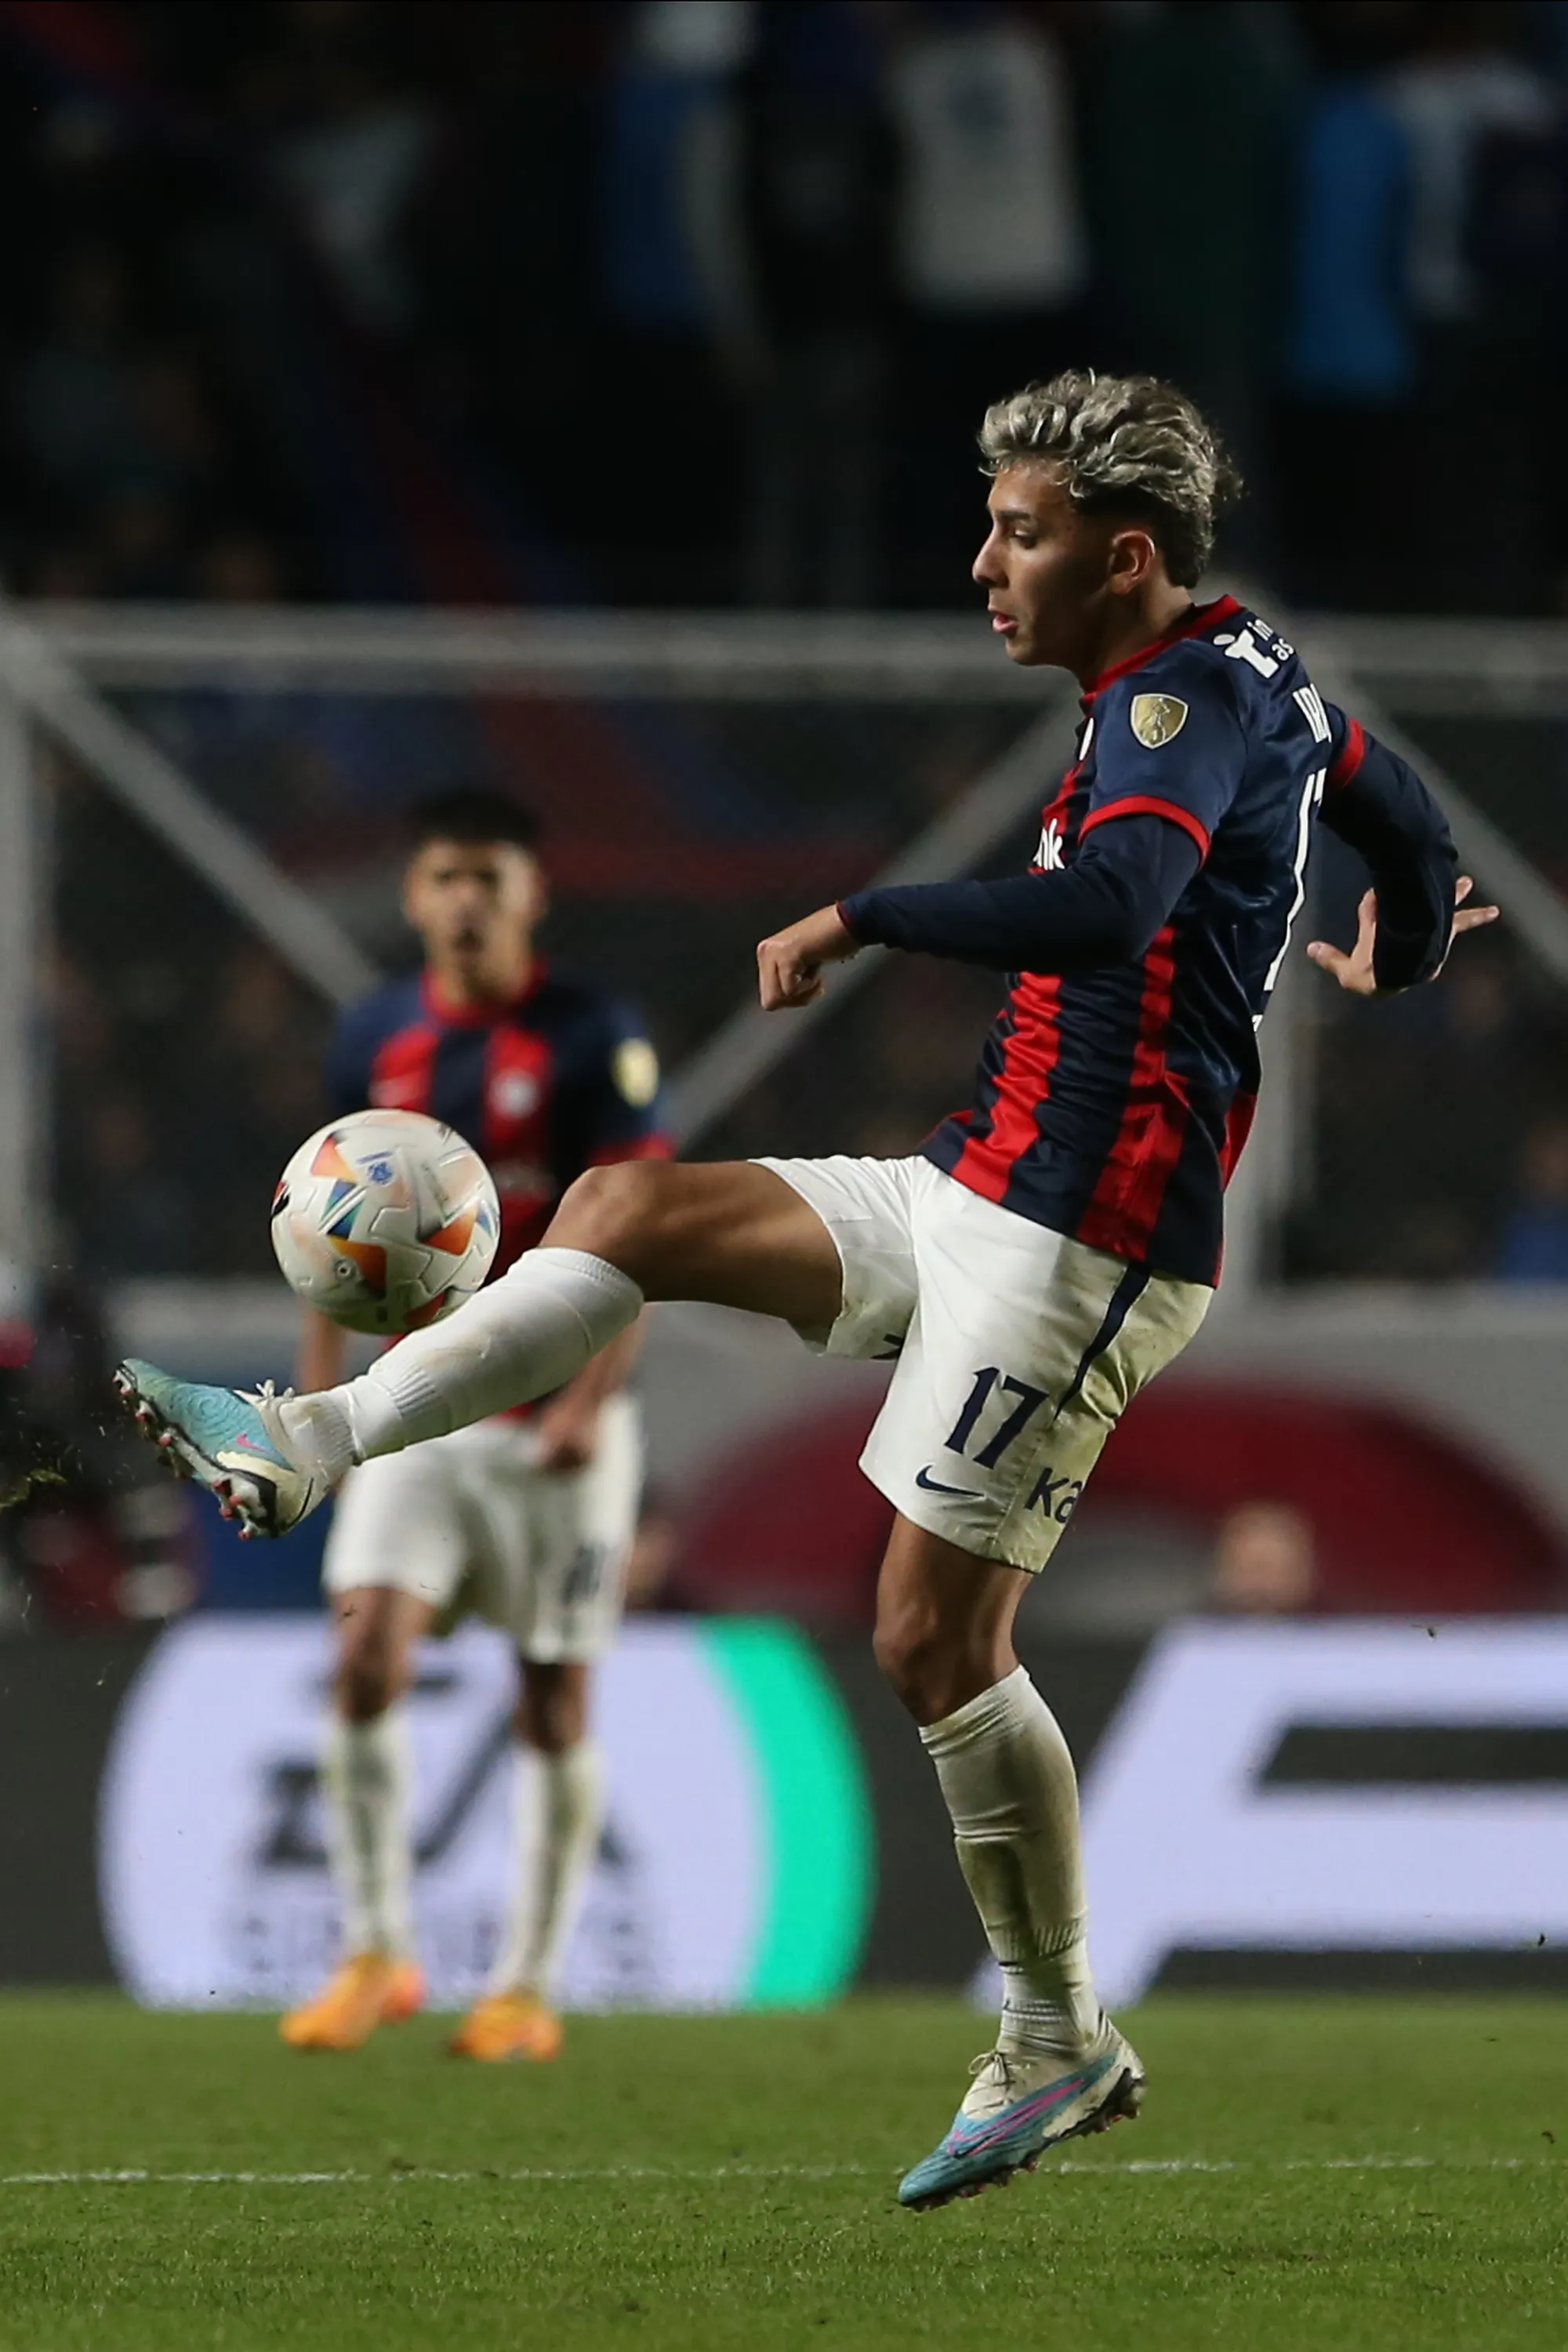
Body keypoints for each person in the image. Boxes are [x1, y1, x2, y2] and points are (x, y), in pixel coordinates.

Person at [119, 372, 1495, 2205]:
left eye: (1021, 530)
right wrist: (1403, 932)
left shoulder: (1171, 707)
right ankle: (315, 1436)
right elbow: (1391, 799)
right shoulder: (1259, 672)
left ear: (1128, 552)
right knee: (628, 1207)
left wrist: (869, 915)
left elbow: (1113, 911)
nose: (983, 561)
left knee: (933, 1640)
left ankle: (1058, 2033)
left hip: (1084, 1246)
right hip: (970, 1183)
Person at [273, 788, 666, 2062]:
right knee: (364, 1659)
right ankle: (377, 1952)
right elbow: (324, 1252)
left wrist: (592, 1406)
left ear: (530, 895)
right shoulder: (376, 1036)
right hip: (418, 1416)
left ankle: (524, 1990)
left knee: (552, 1697)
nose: (466, 901)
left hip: (558, 1417)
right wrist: (317, 1422)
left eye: (489, 879)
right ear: (413, 894)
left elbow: (639, 1231)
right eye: (445, 877)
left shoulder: (591, 1036)